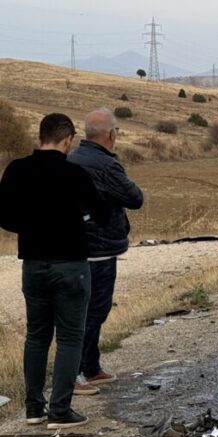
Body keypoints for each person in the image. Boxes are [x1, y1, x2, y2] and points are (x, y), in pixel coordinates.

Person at [0, 113, 108, 429]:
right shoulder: (74, 173)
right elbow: (101, 212)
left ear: (40, 136)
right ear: (67, 140)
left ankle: (34, 408)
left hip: (33, 264)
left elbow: (3, 216)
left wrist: (30, 227)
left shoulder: (16, 170)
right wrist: (81, 220)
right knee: (71, 337)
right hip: (71, 265)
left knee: (36, 336)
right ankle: (60, 410)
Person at [69, 108, 143, 392]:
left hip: (77, 246)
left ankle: (90, 367)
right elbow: (134, 197)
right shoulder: (105, 164)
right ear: (111, 134)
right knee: (94, 311)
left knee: (85, 310)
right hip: (99, 248)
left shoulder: (72, 158)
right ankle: (77, 373)